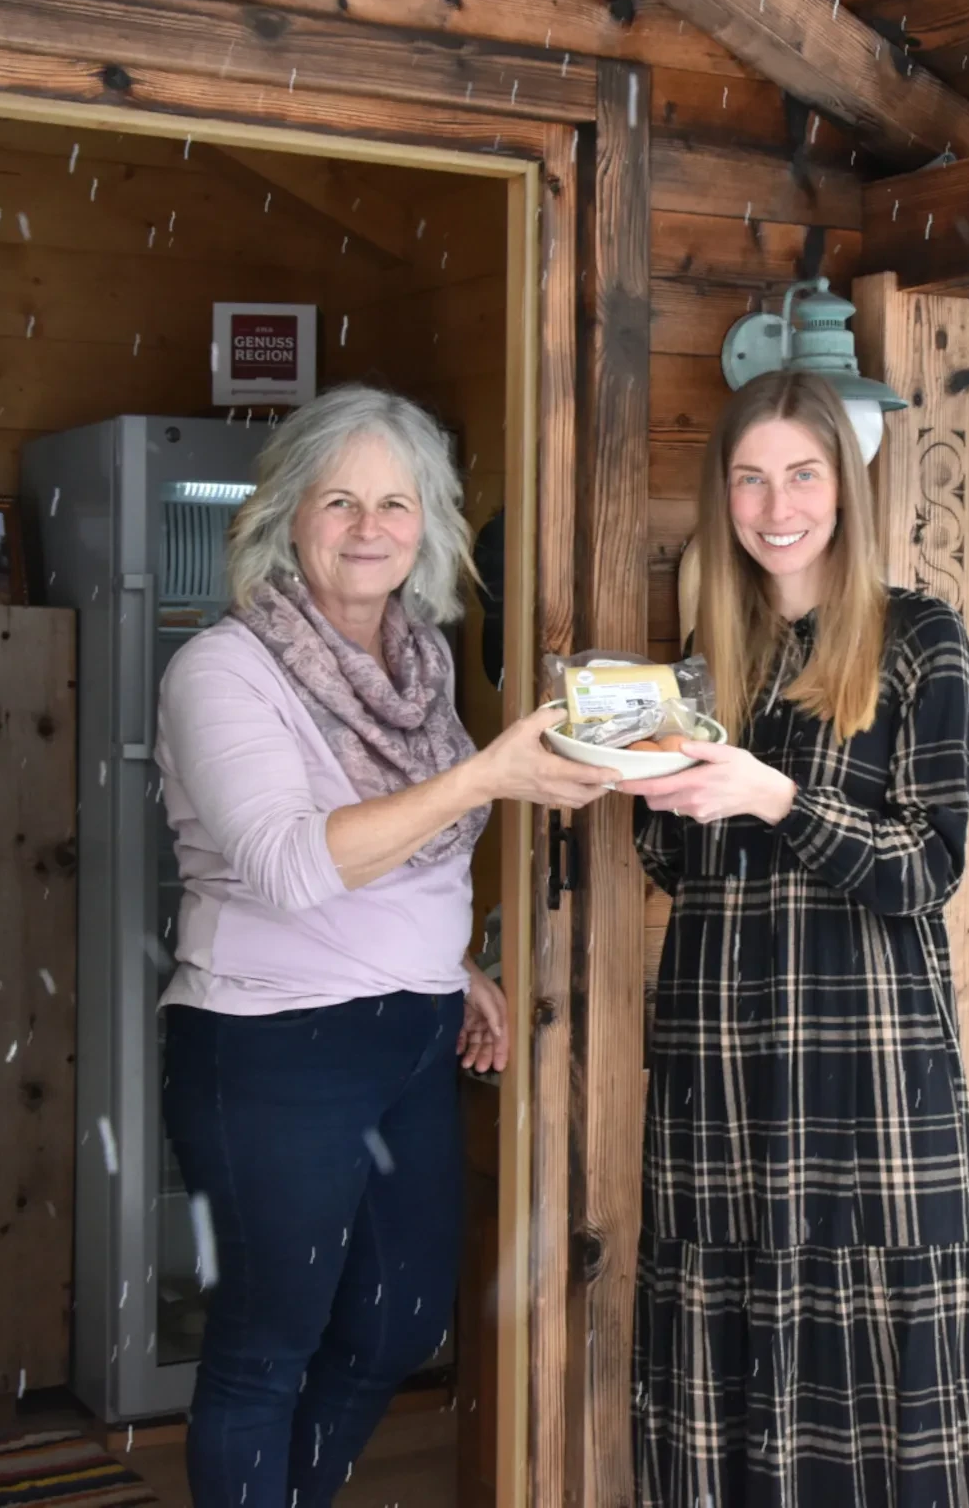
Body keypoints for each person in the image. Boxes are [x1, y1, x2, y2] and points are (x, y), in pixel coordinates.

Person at [155, 384, 617, 1508]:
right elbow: (292, 863)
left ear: (429, 524)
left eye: (396, 503)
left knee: (399, 1321)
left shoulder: (421, 666)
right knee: (270, 1342)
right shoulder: (225, 669)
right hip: (270, 1043)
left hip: (408, 1033)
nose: (370, 527)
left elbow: (406, 857)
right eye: (340, 500)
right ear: (286, 516)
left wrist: (448, 964)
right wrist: (486, 774)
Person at [622, 370, 969, 1508]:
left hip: (868, 1073)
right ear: (723, 498)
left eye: (801, 473)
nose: (774, 503)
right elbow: (681, 870)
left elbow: (927, 867)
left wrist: (775, 794)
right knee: (727, 1368)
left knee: (886, 1388)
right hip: (721, 1067)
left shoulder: (919, 639)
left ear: (844, 487)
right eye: (749, 478)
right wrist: (649, 788)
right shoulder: (709, 656)